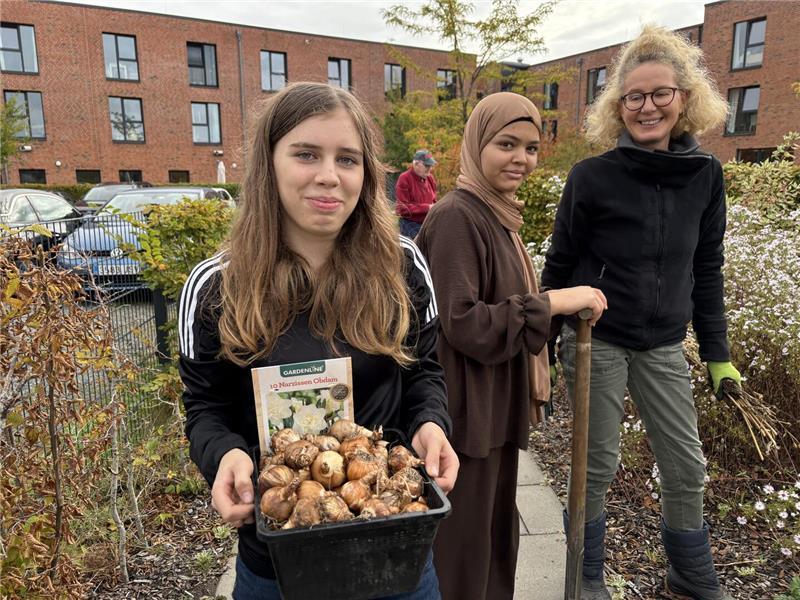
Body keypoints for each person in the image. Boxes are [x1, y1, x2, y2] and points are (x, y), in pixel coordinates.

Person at [178, 82, 459, 600]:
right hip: (280, 561)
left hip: (392, 541)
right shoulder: (217, 286)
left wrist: (430, 424)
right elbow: (205, 407)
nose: (329, 175)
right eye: (306, 154)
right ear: (269, 164)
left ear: (366, 173)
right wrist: (224, 456)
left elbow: (424, 372)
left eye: (347, 159)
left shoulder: (402, 266)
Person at [541, 25, 739, 600]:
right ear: (617, 105)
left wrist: (718, 354)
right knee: (595, 465)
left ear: (685, 99)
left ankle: (689, 574)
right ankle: (586, 576)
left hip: (663, 344)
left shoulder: (705, 175)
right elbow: (560, 264)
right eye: (634, 96)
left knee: (685, 465)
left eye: (660, 94)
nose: (647, 107)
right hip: (597, 338)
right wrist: (541, 345)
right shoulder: (592, 177)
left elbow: (707, 268)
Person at [416, 92, 608, 600]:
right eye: (506, 144)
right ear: (477, 143)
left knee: (494, 534)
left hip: (495, 401)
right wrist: (553, 302)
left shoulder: (499, 217)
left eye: (531, 147)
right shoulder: (457, 216)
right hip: (466, 409)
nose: (521, 158)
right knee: (464, 543)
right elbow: (464, 323)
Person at [395, 149, 438, 238]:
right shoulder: (404, 178)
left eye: (430, 165)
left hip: (428, 222)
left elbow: (434, 201)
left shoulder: (430, 178)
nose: (430, 169)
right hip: (411, 224)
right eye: (426, 165)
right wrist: (428, 208)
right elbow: (402, 208)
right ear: (416, 164)